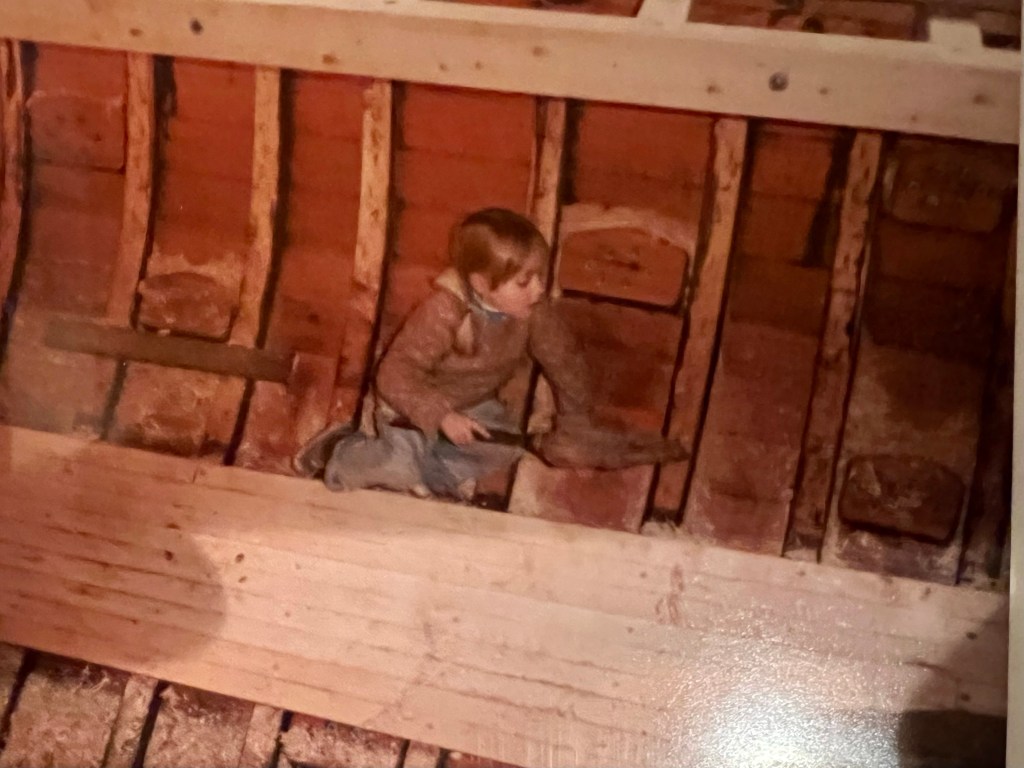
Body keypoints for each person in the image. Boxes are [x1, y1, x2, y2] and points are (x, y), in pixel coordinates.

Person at [293, 207, 686, 501]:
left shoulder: (534, 313)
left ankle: (425, 475)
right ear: (482, 284)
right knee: (397, 466)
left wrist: (575, 422)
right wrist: (440, 416)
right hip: (408, 407)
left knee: (506, 448)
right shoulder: (444, 311)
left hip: (471, 406)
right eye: (524, 282)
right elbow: (394, 375)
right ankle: (338, 452)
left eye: (540, 277)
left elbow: (566, 365)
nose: (538, 289)